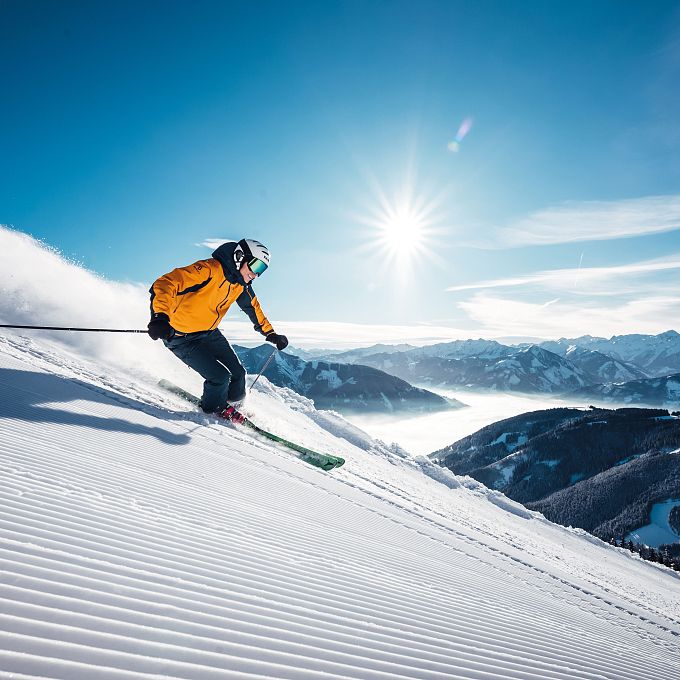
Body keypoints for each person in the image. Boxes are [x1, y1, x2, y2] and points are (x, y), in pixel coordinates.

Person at [147, 238, 288, 416]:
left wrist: (271, 334)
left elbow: (254, 310)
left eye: (262, 270)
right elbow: (166, 284)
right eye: (255, 266)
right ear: (240, 257)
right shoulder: (209, 269)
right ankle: (213, 411)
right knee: (220, 378)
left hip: (209, 333)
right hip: (180, 337)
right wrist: (160, 317)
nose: (256, 274)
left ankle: (234, 405)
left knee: (238, 373)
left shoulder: (240, 284)